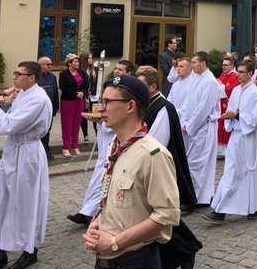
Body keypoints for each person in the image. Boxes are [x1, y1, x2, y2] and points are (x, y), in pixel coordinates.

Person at [82, 75, 180, 269]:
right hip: (105, 258)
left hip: (135, 260)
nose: (101, 107)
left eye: (108, 101)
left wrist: (115, 242)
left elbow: (166, 215)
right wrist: (98, 222)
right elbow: (116, 199)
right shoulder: (115, 146)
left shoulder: (153, 154)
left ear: (130, 106)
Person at [0, 61, 53, 269]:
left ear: (32, 78)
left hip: (27, 154)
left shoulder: (38, 99)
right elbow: (10, 117)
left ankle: (30, 251)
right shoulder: (24, 93)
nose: (14, 76)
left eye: (19, 73)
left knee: (25, 203)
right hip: (13, 152)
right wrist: (6, 101)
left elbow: (10, 124)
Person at [67, 61, 134, 226]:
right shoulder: (110, 86)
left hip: (116, 133)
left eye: (121, 69)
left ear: (129, 73)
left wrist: (103, 119)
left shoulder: (130, 91)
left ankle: (89, 212)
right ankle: (87, 209)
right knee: (98, 172)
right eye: (116, 68)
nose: (117, 71)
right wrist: (97, 118)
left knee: (106, 172)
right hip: (105, 132)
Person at [204, 60, 257, 223]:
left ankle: (255, 206)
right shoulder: (235, 90)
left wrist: (238, 116)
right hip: (236, 137)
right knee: (231, 172)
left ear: (249, 74)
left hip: (248, 139)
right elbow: (231, 110)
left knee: (247, 173)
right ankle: (221, 209)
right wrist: (229, 116)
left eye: (241, 72)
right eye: (238, 71)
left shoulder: (255, 93)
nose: (238, 74)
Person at [136, 66, 197, 214]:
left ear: (152, 87)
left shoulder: (162, 107)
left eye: (141, 86)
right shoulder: (146, 103)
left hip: (160, 154)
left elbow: (158, 139)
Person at [179, 51, 220, 207]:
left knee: (196, 163)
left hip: (203, 127)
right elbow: (188, 103)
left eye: (195, 62)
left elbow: (204, 108)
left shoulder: (210, 82)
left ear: (203, 63)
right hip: (191, 126)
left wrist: (190, 125)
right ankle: (202, 195)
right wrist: (183, 120)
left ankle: (193, 198)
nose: (193, 65)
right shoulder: (195, 79)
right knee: (192, 161)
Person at [58, 53, 90, 157]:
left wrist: (82, 93)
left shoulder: (82, 73)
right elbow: (63, 87)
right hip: (68, 101)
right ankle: (66, 147)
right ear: (69, 63)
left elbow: (86, 85)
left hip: (80, 101)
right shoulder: (63, 75)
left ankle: (75, 146)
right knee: (67, 124)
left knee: (77, 123)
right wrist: (75, 94)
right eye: (75, 62)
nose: (78, 63)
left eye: (78, 61)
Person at [216, 57, 239, 157]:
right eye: (223, 65)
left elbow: (232, 90)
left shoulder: (235, 76)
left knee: (225, 126)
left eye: (226, 65)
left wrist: (221, 86)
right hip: (220, 105)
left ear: (232, 66)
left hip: (227, 105)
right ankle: (219, 150)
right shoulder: (222, 75)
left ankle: (226, 150)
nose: (224, 67)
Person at [37, 56, 59, 160]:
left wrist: (55, 107)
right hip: (40, 110)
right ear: (40, 65)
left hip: (50, 110)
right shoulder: (36, 78)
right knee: (40, 131)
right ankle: (40, 152)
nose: (50, 66)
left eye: (51, 64)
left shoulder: (52, 77)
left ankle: (46, 150)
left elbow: (55, 93)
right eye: (48, 64)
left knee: (47, 130)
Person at [80, 51, 98, 144]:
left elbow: (97, 82)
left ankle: (97, 134)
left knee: (95, 116)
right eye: (88, 58)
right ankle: (85, 135)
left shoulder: (95, 69)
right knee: (84, 116)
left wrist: (92, 89)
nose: (90, 60)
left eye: (91, 58)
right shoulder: (80, 70)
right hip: (84, 96)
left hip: (94, 96)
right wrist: (85, 90)